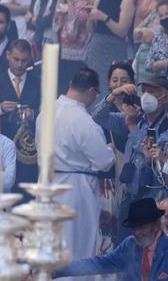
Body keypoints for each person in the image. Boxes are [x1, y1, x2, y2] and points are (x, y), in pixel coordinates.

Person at [43, 68, 115, 263]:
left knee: (54, 244)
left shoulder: (46, 112)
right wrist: (109, 149)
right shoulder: (83, 121)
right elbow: (103, 161)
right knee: (78, 247)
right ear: (91, 92)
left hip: (49, 183)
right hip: (76, 189)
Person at [55, 197, 168, 280]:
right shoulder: (129, 245)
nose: (136, 233)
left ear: (155, 225)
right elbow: (98, 263)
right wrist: (56, 270)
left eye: (141, 227)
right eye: (134, 228)